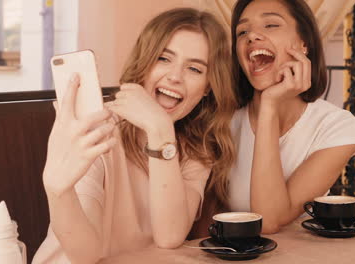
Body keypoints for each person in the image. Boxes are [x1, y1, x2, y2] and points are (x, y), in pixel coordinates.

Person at [32, 8, 237, 263]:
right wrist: (57, 191)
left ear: (208, 86)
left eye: (194, 69)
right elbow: (85, 255)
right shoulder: (98, 128)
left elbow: (169, 236)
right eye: (163, 58)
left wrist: (159, 130)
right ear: (144, 63)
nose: (174, 76)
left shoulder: (197, 149)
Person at [227, 0, 355, 234]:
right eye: (243, 31)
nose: (252, 36)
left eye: (270, 25)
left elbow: (269, 220)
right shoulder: (223, 121)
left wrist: (269, 105)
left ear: (304, 44)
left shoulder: (338, 126)